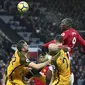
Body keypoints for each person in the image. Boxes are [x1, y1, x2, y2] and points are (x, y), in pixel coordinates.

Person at [44, 18, 85, 85]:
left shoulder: (66, 33)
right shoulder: (76, 33)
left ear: (67, 25)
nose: (60, 25)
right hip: (68, 56)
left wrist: (45, 45)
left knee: (49, 75)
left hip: (61, 56)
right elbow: (83, 43)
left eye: (62, 24)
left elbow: (56, 41)